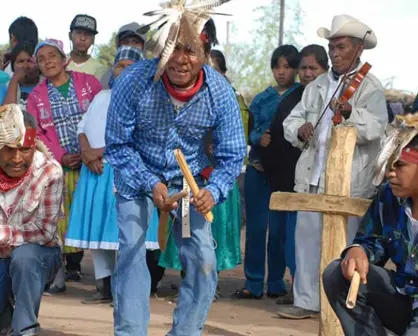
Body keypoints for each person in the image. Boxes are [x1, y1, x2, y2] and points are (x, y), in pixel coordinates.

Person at [105, 0, 246, 334]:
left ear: (206, 51)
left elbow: (231, 156)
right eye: (174, 48)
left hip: (187, 186)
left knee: (201, 259)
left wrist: (213, 191)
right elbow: (117, 145)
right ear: (161, 48)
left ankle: (186, 331)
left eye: (192, 50)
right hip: (137, 181)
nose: (182, 60)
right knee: (132, 253)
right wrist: (149, 182)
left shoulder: (220, 92)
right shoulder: (134, 81)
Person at [277, 14, 388, 319]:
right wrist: (300, 129)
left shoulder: (371, 87)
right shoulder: (318, 85)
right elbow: (293, 119)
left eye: (340, 47)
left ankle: (342, 307)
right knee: (307, 243)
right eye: (331, 48)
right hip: (313, 175)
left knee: (347, 246)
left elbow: (379, 128)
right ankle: (306, 301)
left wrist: (352, 112)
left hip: (349, 180)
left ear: (358, 49)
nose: (335, 53)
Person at [65, 46, 161, 304]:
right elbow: (82, 126)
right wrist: (86, 152)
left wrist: (99, 154)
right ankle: (103, 286)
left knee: (124, 235)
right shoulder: (101, 96)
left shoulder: (146, 99)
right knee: (98, 233)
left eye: (131, 67)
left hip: (123, 173)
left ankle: (126, 291)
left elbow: (140, 137)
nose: (124, 71)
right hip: (94, 173)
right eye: (120, 66)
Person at [158, 49, 246, 300]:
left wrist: (215, 184)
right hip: (186, 178)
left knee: (209, 236)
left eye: (214, 71)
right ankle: (190, 282)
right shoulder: (174, 100)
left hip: (215, 182)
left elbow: (231, 148)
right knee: (186, 234)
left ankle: (207, 285)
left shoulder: (225, 101)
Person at [323, 113, 418, 335]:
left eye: (399, 166)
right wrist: (358, 250)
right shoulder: (389, 197)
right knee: (338, 273)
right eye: (387, 166)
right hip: (405, 296)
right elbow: (372, 240)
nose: (389, 173)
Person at [27, 38, 102, 293]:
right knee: (56, 221)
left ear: (63, 58)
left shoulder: (88, 84)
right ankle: (56, 275)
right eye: (41, 58)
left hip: (93, 164)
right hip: (59, 167)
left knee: (97, 217)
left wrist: (91, 152)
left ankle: (105, 280)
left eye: (52, 55)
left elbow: (102, 115)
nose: (47, 61)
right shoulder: (36, 97)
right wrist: (59, 156)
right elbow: (35, 133)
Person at [260, 44, 329, 305]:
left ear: (325, 69)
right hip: (289, 180)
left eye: (314, 68)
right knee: (294, 240)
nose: (308, 73)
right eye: (303, 68)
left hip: (324, 182)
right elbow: (278, 136)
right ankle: (298, 289)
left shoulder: (332, 96)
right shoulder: (290, 99)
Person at [232, 45, 300, 300]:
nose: (281, 72)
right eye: (277, 66)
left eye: (287, 67)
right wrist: (258, 138)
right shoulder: (262, 98)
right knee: (256, 229)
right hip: (258, 170)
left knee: (281, 232)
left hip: (284, 174)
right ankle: (253, 282)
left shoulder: (302, 96)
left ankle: (276, 283)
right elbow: (248, 132)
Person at [0, 105, 63, 336]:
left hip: (38, 256)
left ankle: (24, 329)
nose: (17, 159)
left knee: (25, 257)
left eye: (25, 150)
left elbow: (44, 232)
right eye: (8, 150)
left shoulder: (49, 171)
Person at [100, 22, 146, 89]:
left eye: (136, 42)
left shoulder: (153, 74)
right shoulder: (107, 77)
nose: (130, 46)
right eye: (125, 42)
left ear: (143, 46)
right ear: (119, 46)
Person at [1, 41, 41, 111]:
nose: (25, 66)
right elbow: (7, 114)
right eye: (20, 61)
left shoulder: (48, 83)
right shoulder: (6, 86)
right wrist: (14, 80)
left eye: (29, 61)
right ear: (13, 66)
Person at [66, 14, 106, 81]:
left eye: (88, 34)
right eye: (78, 33)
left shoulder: (100, 69)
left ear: (93, 40)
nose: (83, 38)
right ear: (70, 35)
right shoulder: (59, 63)